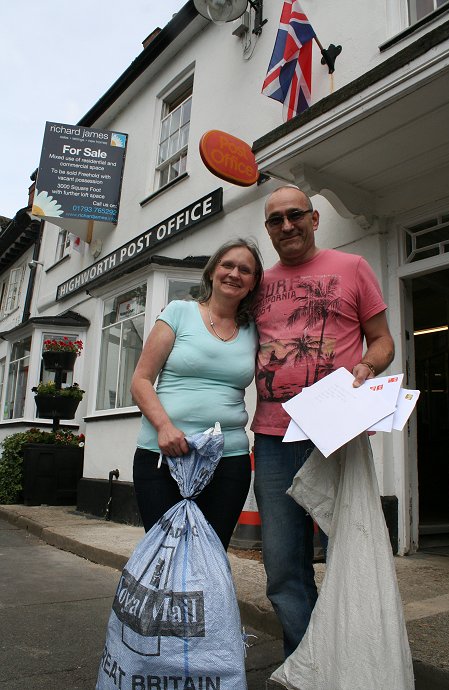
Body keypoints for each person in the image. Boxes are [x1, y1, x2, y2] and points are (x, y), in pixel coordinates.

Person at [252, 185, 394, 657]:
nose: (287, 225)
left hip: (338, 433)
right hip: (273, 438)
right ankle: (306, 665)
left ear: (315, 219)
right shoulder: (258, 283)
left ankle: (347, 662)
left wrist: (369, 367)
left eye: (296, 215)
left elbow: (382, 341)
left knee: (349, 555)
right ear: (268, 229)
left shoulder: (352, 268)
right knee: (283, 566)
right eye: (276, 220)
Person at [131, 238, 263, 551]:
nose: (234, 273)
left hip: (228, 460)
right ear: (212, 271)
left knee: (210, 555)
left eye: (245, 270)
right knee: (166, 554)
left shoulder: (254, 330)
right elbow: (141, 379)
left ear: (253, 283)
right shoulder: (179, 312)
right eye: (227, 265)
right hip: (164, 455)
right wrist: (164, 426)